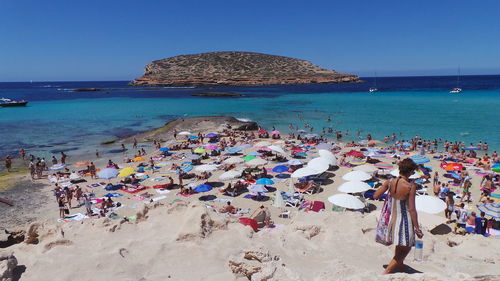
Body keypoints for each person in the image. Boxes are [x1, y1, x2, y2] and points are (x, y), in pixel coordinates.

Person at [374, 158, 423, 274]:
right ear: (410, 171)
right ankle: (387, 272)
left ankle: (400, 267)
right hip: (405, 222)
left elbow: (376, 195)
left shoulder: (389, 181)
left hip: (393, 220)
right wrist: (417, 228)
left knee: (400, 246)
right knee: (407, 247)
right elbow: (412, 209)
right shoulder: (411, 186)